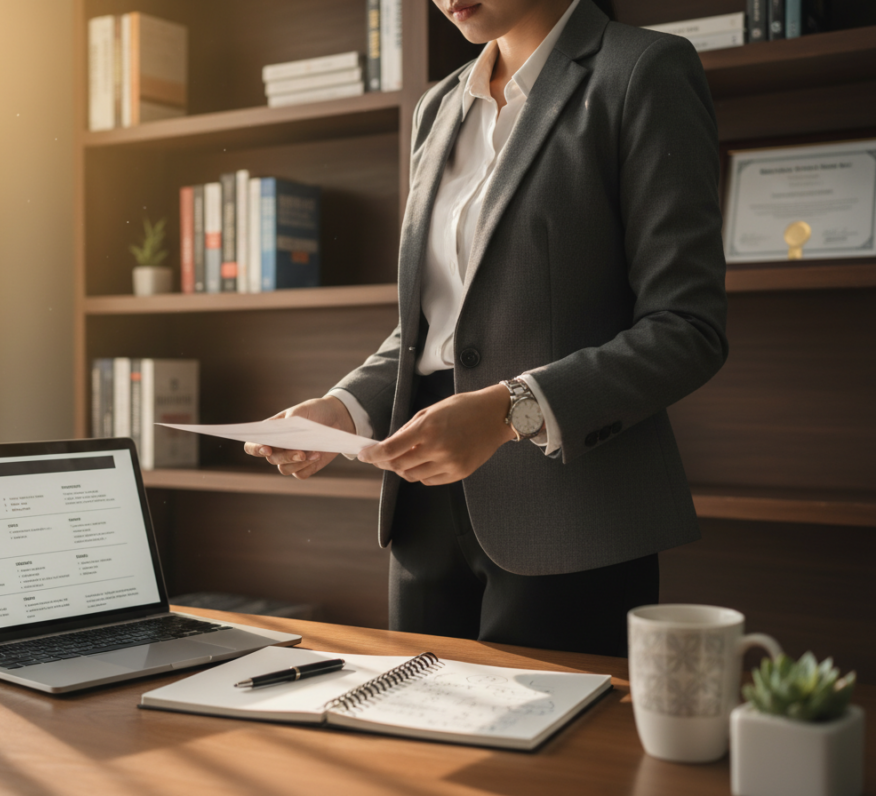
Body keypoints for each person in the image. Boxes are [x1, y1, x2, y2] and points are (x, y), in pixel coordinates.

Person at [245, 0, 728, 657]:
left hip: (572, 514)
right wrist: (345, 408)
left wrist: (509, 412)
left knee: (558, 758)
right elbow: (434, 324)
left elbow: (687, 327)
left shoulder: (641, 71)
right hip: (424, 516)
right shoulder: (438, 107)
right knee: (416, 749)